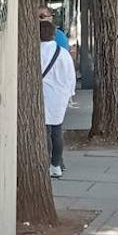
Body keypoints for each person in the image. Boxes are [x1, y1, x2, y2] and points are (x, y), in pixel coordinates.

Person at [40, 20, 76, 179]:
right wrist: (69, 94)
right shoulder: (63, 53)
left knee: (44, 132)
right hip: (59, 97)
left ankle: (46, 163)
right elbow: (71, 76)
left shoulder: (35, 52)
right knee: (56, 131)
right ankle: (56, 164)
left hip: (43, 95)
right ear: (53, 35)